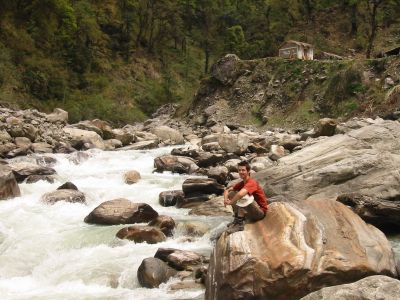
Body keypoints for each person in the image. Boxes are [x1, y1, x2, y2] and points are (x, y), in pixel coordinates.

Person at [223, 161, 268, 234]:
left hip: (260, 212)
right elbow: (227, 190)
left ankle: (240, 225)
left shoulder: (252, 182)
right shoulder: (242, 183)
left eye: (243, 170)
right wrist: (225, 200)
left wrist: (231, 202)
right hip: (250, 211)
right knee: (232, 193)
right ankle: (237, 219)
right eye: (239, 170)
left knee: (243, 195)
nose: (241, 172)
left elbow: (240, 194)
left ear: (248, 171)